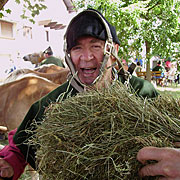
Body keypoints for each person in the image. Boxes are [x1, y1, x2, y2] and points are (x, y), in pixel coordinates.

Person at [0, 8, 179, 180]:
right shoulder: (55, 101)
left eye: (95, 46)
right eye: (77, 48)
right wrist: (9, 163)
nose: (86, 57)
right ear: (69, 55)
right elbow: (21, 144)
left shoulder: (141, 92)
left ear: (113, 49)